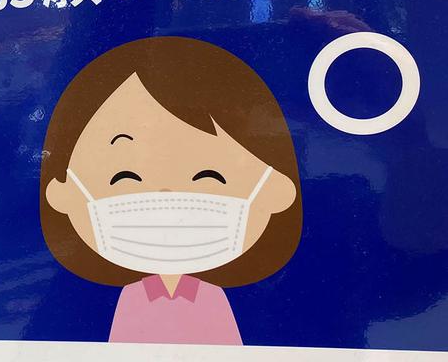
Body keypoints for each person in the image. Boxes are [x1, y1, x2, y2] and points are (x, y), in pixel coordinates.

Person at [40, 37, 301, 345]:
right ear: (64, 191)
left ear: (274, 189)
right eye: (125, 177)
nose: (165, 193)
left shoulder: (212, 297)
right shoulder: (127, 298)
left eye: (209, 176)